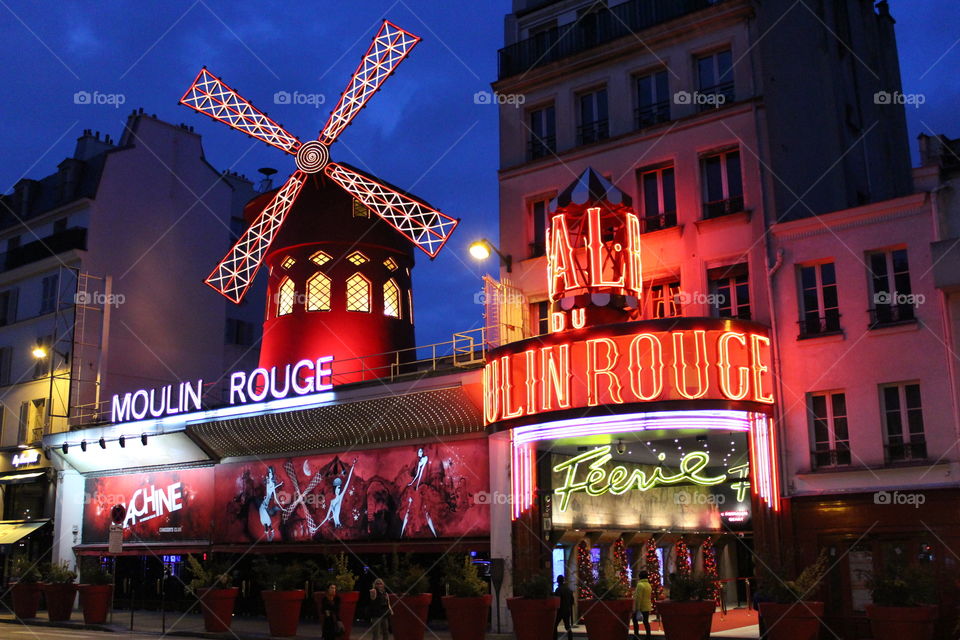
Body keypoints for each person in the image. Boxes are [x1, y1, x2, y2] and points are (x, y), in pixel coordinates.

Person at [633, 571, 653, 639]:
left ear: (640, 577)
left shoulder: (640, 585)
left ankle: (636, 635)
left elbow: (639, 598)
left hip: (641, 607)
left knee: (635, 621)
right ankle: (648, 636)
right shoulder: (648, 585)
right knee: (646, 622)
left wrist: (637, 609)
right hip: (647, 606)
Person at [554, 574, 574, 640]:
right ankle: (570, 638)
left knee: (554, 625)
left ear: (558, 581)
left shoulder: (558, 590)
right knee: (567, 626)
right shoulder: (568, 590)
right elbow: (572, 601)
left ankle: (554, 638)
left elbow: (556, 600)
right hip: (567, 610)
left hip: (560, 611)